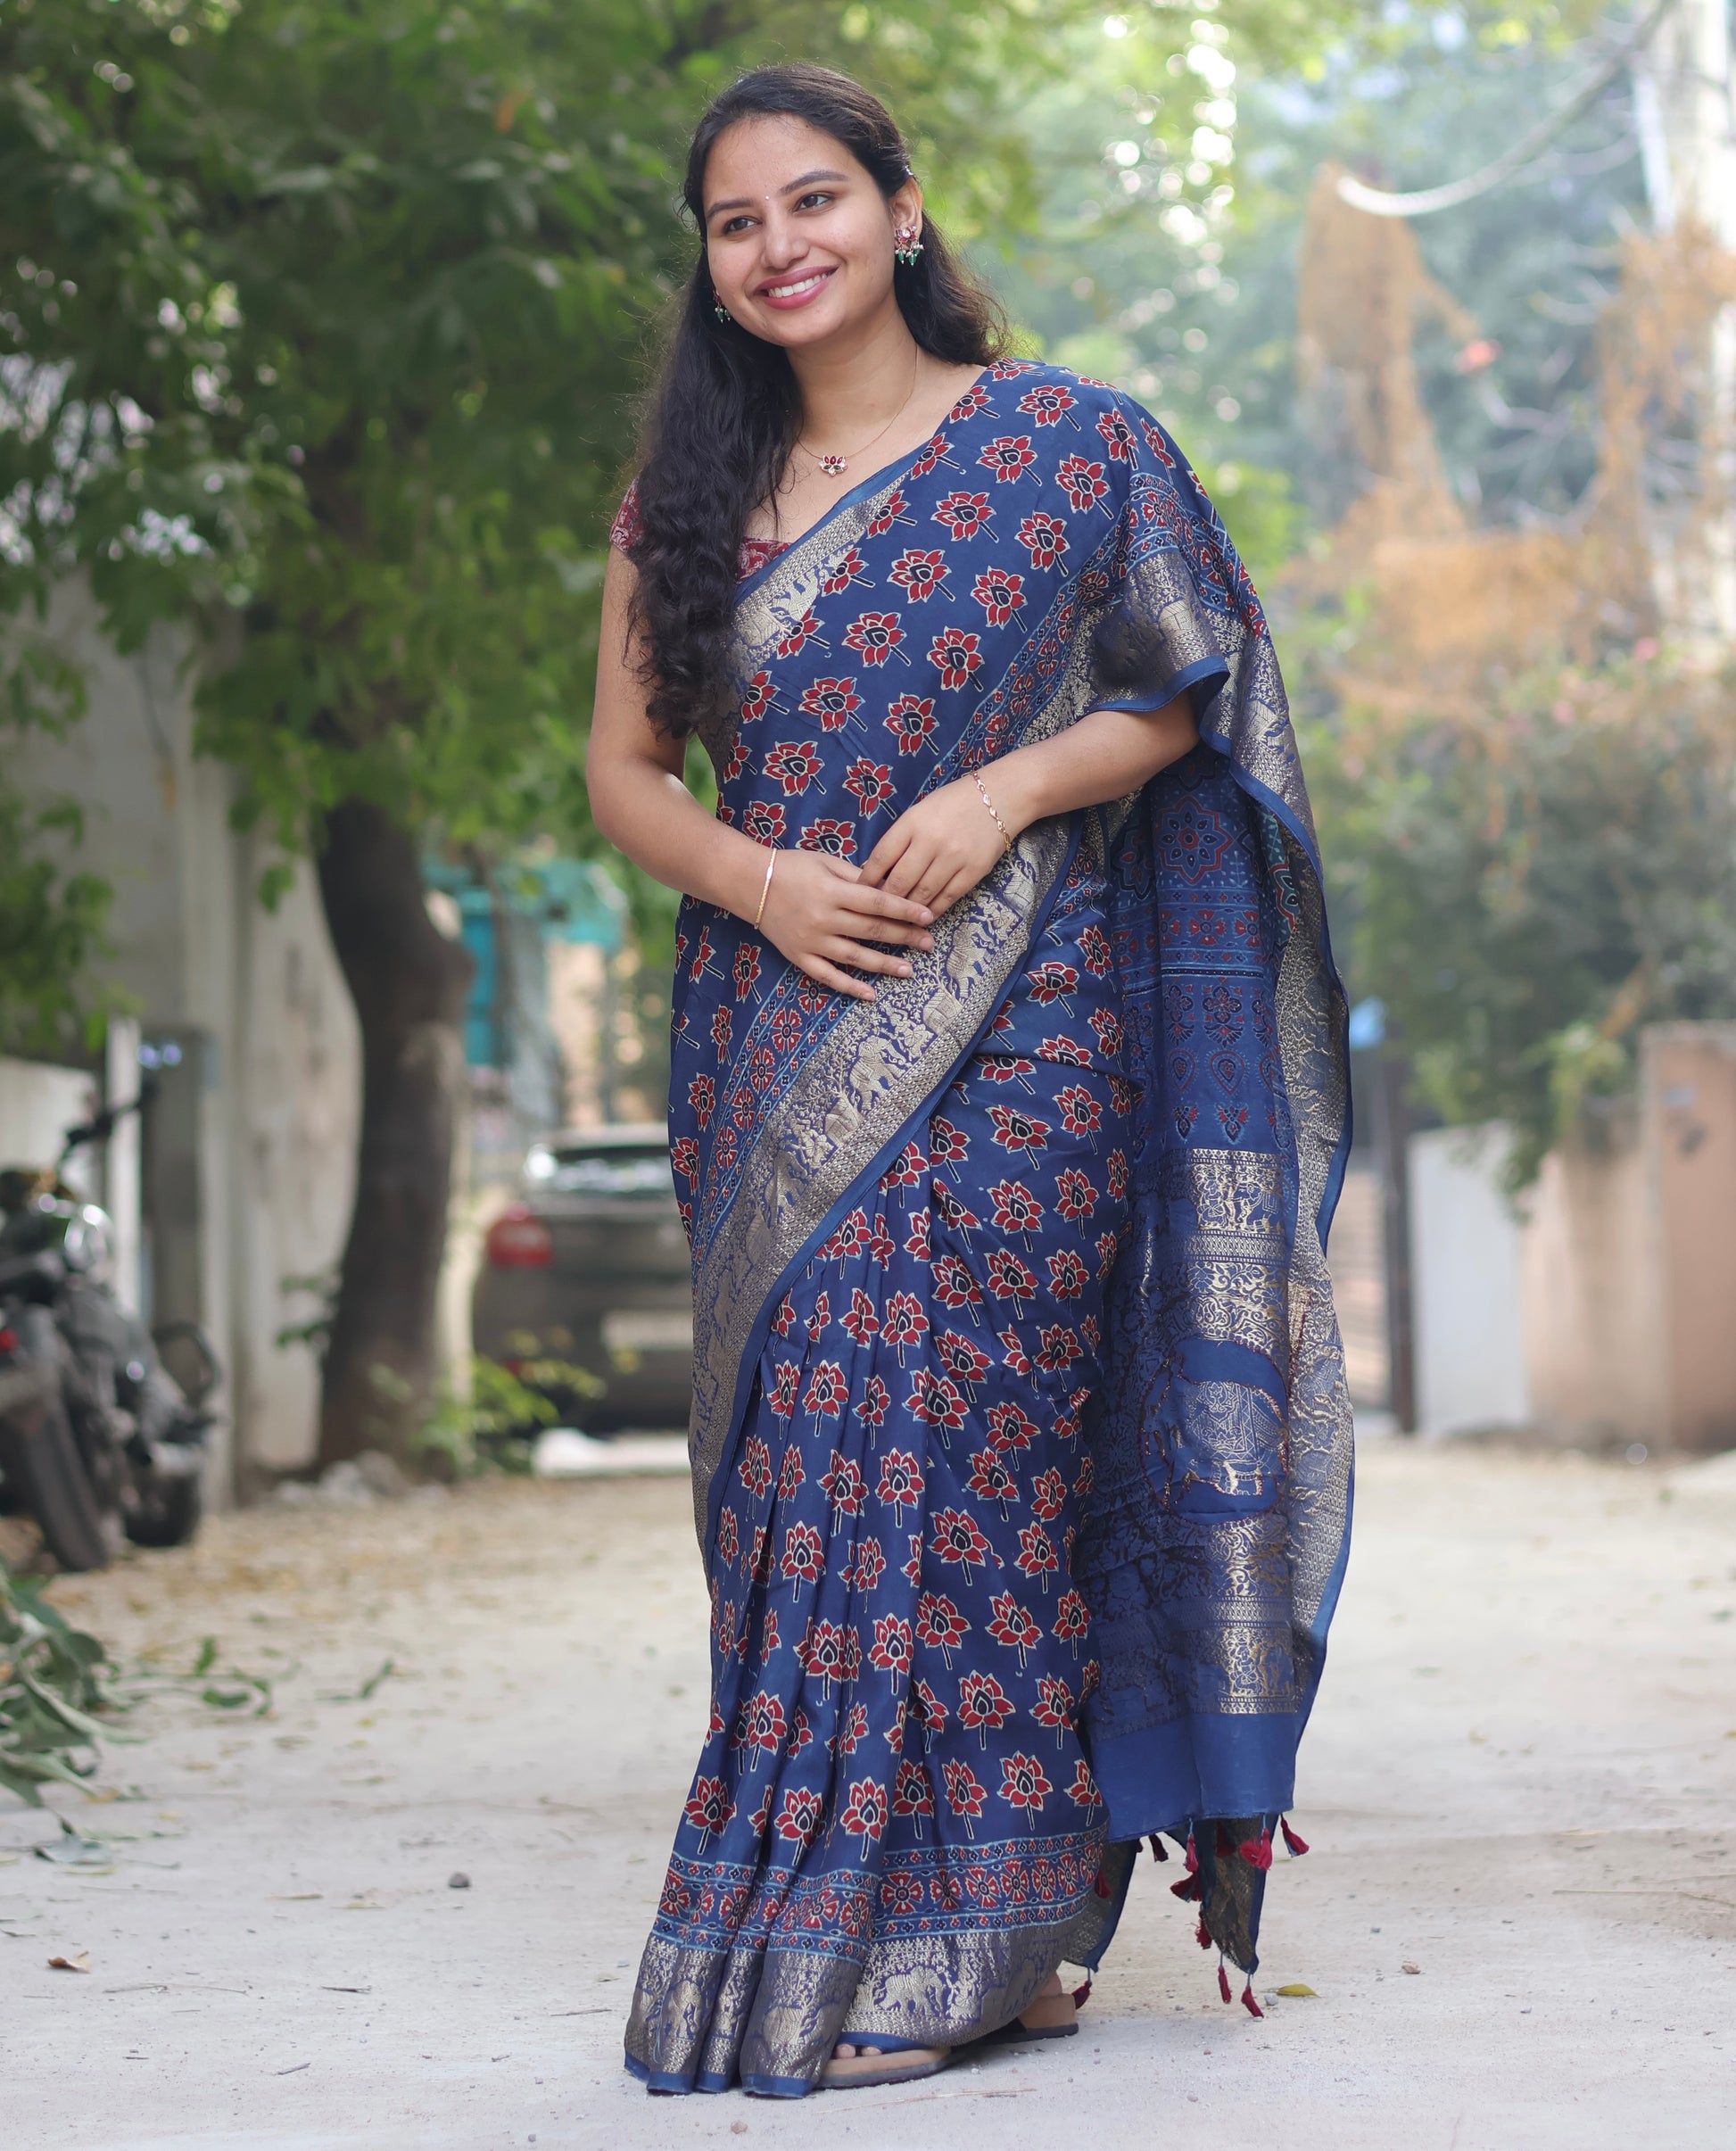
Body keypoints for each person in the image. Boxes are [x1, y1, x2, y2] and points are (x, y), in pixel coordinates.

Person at [586, 62, 1352, 2099]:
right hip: (773, 1025)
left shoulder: (1066, 449)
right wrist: (761, 885)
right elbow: (624, 775)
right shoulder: (685, 505)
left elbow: (1189, 687)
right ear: (711, 264)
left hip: (1031, 1017)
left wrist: (1003, 789)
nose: (780, 246)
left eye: (814, 200)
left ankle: (996, 1943)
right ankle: (847, 1926)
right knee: (810, 1473)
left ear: (900, 211)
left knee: (989, 1459)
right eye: (737, 222)